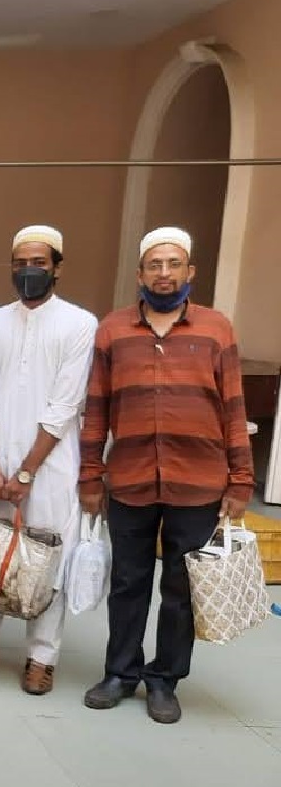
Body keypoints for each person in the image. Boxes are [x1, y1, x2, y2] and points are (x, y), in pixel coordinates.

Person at [79, 227, 253, 724]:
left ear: (189, 271)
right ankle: (120, 673)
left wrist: (241, 479)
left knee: (180, 588)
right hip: (130, 480)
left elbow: (234, 407)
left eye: (173, 264)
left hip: (198, 483)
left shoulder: (216, 329)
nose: (163, 273)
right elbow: (97, 408)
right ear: (139, 274)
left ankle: (165, 680)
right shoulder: (113, 330)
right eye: (154, 265)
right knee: (128, 582)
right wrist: (90, 474)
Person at [0, 225, 96, 696]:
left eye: (39, 263)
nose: (29, 271)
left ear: (57, 268)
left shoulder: (79, 324)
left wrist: (27, 470)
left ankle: (41, 658)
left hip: (51, 463)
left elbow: (64, 405)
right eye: (21, 263)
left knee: (45, 554)